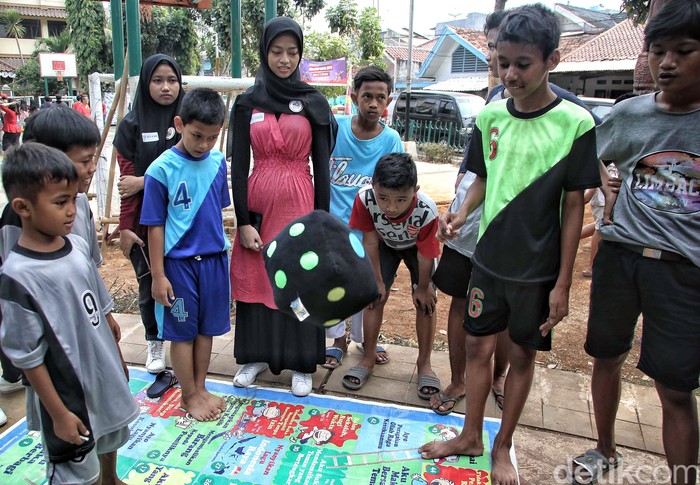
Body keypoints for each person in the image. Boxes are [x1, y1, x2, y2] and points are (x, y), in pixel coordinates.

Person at [418, 7, 600, 485]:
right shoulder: (492, 114)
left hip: (537, 271)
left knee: (520, 357)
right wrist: (461, 212)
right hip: (488, 260)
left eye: (523, 63)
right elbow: (482, 176)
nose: (511, 74)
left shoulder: (576, 124)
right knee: (477, 348)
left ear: (552, 61)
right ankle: (470, 435)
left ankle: (502, 447)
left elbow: (575, 206)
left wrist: (562, 283)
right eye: (503, 63)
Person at [573, 2, 700, 484]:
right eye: (658, 51)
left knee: (674, 385)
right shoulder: (628, 116)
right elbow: (582, 163)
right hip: (620, 259)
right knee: (606, 358)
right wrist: (596, 181)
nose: (666, 63)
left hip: (683, 272)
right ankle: (604, 449)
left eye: (683, 51)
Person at [0, 142, 139, 485]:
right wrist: (58, 413)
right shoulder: (18, 276)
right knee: (77, 470)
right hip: (68, 392)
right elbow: (28, 357)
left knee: (111, 435)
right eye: (60, 203)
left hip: (101, 372)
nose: (71, 211)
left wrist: (116, 355)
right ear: (23, 207)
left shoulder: (76, 247)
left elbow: (98, 303)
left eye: (74, 200)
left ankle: (111, 478)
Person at [228, 17, 337, 397]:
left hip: (300, 204)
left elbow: (321, 168)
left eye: (292, 52)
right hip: (257, 205)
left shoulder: (313, 103)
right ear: (265, 52)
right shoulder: (246, 103)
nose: (284, 59)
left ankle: (302, 363)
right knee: (257, 279)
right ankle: (256, 357)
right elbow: (238, 168)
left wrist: (321, 220)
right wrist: (243, 221)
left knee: (299, 280)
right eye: (276, 52)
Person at [140, 88, 230, 422]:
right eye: (196, 135)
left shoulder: (219, 163)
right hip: (179, 268)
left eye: (212, 137)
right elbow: (155, 226)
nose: (204, 144)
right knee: (182, 332)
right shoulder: (160, 170)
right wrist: (159, 275)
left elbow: (217, 213)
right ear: (179, 124)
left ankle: (201, 387)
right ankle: (188, 395)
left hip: (215, 263)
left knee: (206, 330)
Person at [323, 65, 403, 370]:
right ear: (354, 96)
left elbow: (394, 184)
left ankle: (365, 339)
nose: (372, 104)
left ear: (388, 101)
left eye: (380, 98)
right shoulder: (336, 128)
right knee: (335, 284)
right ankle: (337, 340)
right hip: (335, 225)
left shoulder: (390, 140)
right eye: (366, 96)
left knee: (367, 284)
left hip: (371, 229)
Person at [342, 152, 441, 398]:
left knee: (426, 304)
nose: (391, 207)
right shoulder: (365, 199)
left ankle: (424, 363)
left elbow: (426, 255)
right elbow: (370, 241)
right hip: (383, 245)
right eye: (383, 197)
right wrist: (377, 280)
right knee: (374, 297)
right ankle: (367, 358)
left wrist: (423, 286)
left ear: (415, 191)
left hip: (417, 250)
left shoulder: (427, 211)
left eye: (401, 199)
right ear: (373, 186)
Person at [112, 54, 184, 375]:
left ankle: (185, 338)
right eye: (157, 80)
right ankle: (154, 342)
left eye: (172, 80)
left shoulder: (187, 118)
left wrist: (144, 180)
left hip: (182, 216)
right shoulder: (131, 126)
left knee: (182, 280)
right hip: (143, 221)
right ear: (145, 83)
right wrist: (125, 226)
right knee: (148, 282)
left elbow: (188, 169)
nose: (166, 87)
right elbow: (126, 187)